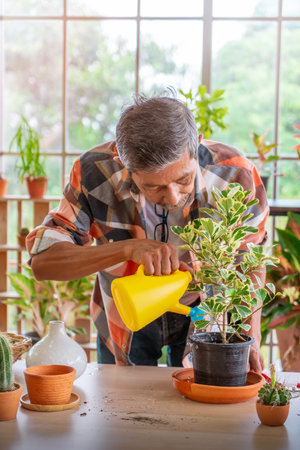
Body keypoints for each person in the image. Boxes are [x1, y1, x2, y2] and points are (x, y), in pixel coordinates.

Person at [27, 94, 268, 371]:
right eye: (154, 186)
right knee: (123, 409)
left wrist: (252, 333)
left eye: (183, 178)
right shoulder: (93, 173)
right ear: (121, 159)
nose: (173, 196)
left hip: (205, 311)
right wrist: (126, 249)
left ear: (197, 142)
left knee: (198, 409)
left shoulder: (236, 176)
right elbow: (43, 263)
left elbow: (253, 258)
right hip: (124, 313)